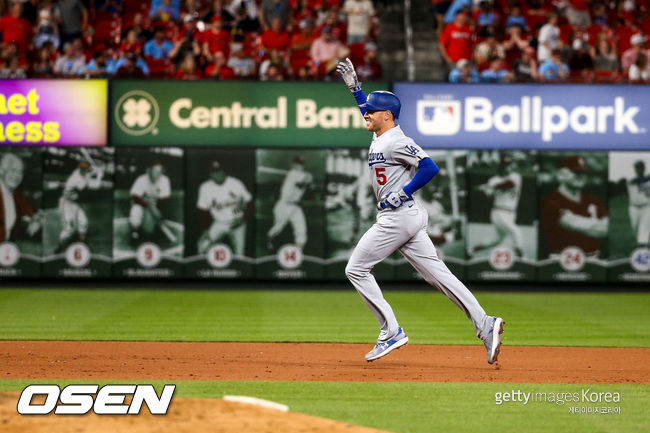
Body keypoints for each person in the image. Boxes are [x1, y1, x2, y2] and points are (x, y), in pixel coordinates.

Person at [336, 58, 505, 364]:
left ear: (387, 116)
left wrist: (403, 191)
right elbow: (368, 112)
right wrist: (356, 90)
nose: (366, 114)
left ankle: (391, 331)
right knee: (440, 276)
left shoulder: (397, 140)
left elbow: (429, 167)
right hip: (408, 219)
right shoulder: (380, 134)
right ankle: (485, 323)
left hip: (398, 218)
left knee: (356, 269)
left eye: (371, 111)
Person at [540, 155, 608, 256]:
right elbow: (595, 230)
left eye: (583, 173)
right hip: (562, 262)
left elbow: (607, 227)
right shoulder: (551, 201)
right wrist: (599, 224)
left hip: (594, 260)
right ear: (561, 175)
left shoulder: (592, 199)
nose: (581, 176)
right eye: (575, 172)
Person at [468, 154, 524, 259]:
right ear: (502, 167)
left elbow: (508, 185)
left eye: (510, 164)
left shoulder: (516, 176)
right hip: (499, 212)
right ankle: (521, 256)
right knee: (515, 231)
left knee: (496, 240)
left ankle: (471, 250)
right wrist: (486, 190)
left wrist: (490, 186)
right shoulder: (494, 179)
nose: (510, 167)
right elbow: (490, 196)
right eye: (507, 165)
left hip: (511, 213)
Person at [196, 160, 253, 255]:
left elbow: (250, 203)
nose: (217, 174)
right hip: (219, 223)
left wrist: (242, 218)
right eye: (214, 172)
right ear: (210, 174)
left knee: (240, 254)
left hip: (238, 223)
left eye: (219, 171)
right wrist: (205, 230)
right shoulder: (205, 187)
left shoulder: (236, 183)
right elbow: (203, 211)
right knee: (202, 245)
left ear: (223, 171)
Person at [55, 159, 104, 253]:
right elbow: (95, 186)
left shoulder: (79, 172)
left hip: (76, 203)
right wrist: (99, 176)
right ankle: (60, 246)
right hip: (67, 204)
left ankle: (82, 243)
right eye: (84, 169)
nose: (85, 170)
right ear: (80, 169)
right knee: (69, 228)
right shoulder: (77, 179)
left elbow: (89, 172)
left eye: (86, 169)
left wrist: (96, 169)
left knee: (84, 222)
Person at [266, 155, 313, 250]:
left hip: (295, 206)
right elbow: (305, 181)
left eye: (301, 164)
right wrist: (310, 177)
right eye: (297, 164)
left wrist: (309, 180)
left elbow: (306, 183)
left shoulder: (298, 174)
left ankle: (299, 251)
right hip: (284, 206)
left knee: (301, 229)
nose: (300, 166)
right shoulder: (293, 174)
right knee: (277, 228)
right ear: (293, 165)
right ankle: (269, 239)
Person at [128, 161, 171, 246]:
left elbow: (164, 199)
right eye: (155, 170)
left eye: (160, 171)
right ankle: (134, 234)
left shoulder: (165, 180)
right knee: (135, 212)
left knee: (148, 230)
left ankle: (155, 228)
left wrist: (157, 211)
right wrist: (148, 206)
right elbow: (135, 196)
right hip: (140, 204)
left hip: (155, 205)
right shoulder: (141, 179)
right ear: (149, 170)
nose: (157, 173)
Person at [0, 153, 41, 242]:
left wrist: (36, 220)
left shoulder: (15, 194)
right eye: (13, 170)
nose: (17, 176)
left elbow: (31, 211)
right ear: (2, 171)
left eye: (20, 172)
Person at [627, 160, 650, 248]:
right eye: (638, 167)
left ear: (644, 168)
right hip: (634, 208)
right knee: (635, 228)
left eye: (641, 167)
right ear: (635, 169)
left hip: (646, 207)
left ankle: (643, 246)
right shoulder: (631, 180)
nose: (640, 169)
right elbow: (638, 181)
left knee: (644, 227)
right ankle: (641, 242)